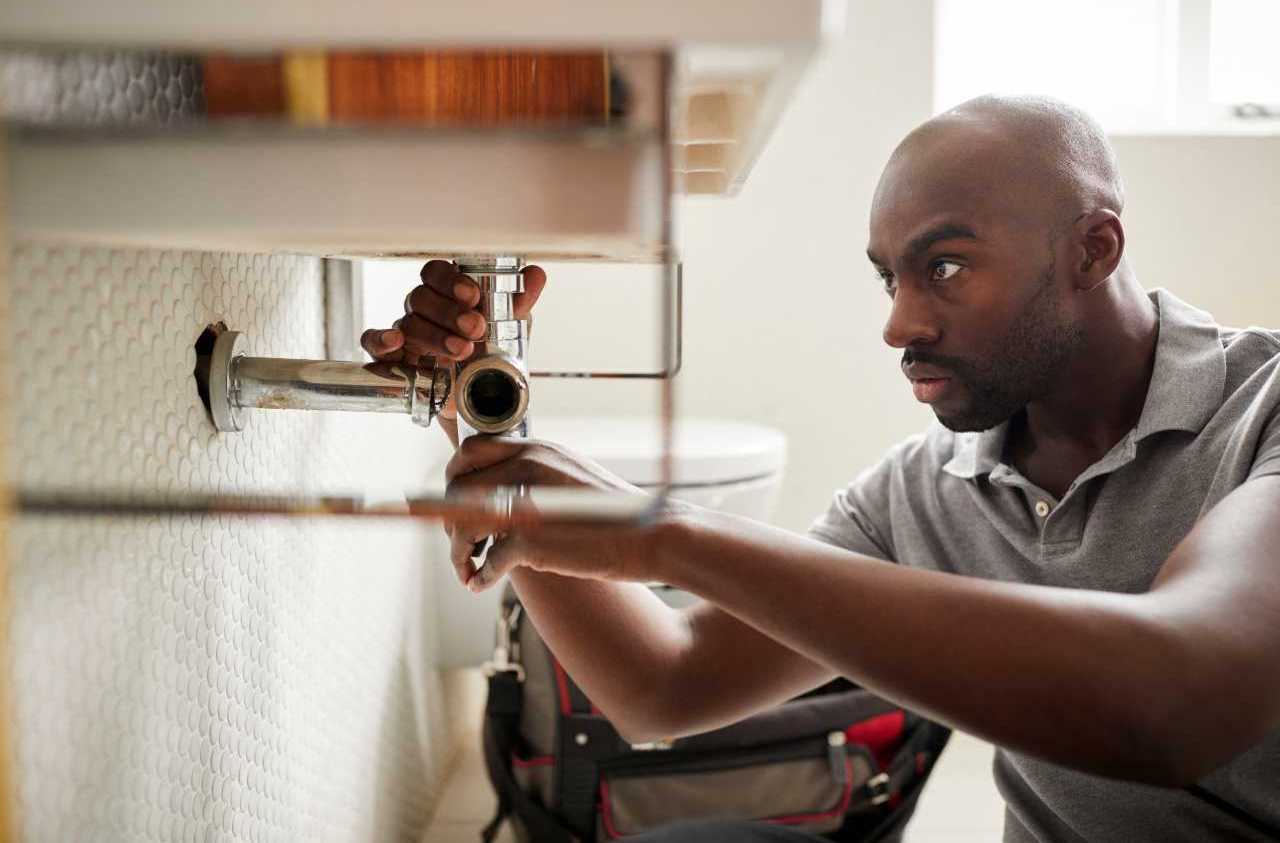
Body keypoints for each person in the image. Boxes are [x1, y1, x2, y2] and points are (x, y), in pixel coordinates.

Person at [362, 95, 1280, 842]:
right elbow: (663, 684)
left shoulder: (1266, 413)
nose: (900, 323)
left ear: (1093, 249)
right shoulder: (930, 490)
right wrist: (482, 417)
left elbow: (1176, 702)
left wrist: (661, 533)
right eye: (891, 277)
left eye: (947, 266)